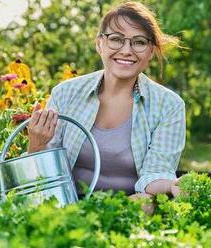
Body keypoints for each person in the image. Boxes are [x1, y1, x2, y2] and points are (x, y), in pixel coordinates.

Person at [27, 1, 185, 200]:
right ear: (99, 44)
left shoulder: (169, 105)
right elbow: (42, 177)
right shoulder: (66, 93)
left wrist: (172, 185)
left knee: (144, 201)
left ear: (150, 51)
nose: (127, 50)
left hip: (130, 204)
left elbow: (156, 172)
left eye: (139, 42)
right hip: (69, 203)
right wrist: (36, 144)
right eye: (116, 39)